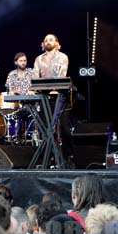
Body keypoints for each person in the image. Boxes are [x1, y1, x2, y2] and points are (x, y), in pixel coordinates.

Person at [33, 34, 73, 162]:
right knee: (45, 128)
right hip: (44, 98)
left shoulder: (63, 57)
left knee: (64, 128)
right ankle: (48, 157)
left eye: (50, 39)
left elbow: (61, 76)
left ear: (56, 42)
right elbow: (35, 77)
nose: (47, 42)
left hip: (60, 97)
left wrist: (50, 86)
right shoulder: (39, 59)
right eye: (45, 40)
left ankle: (68, 155)